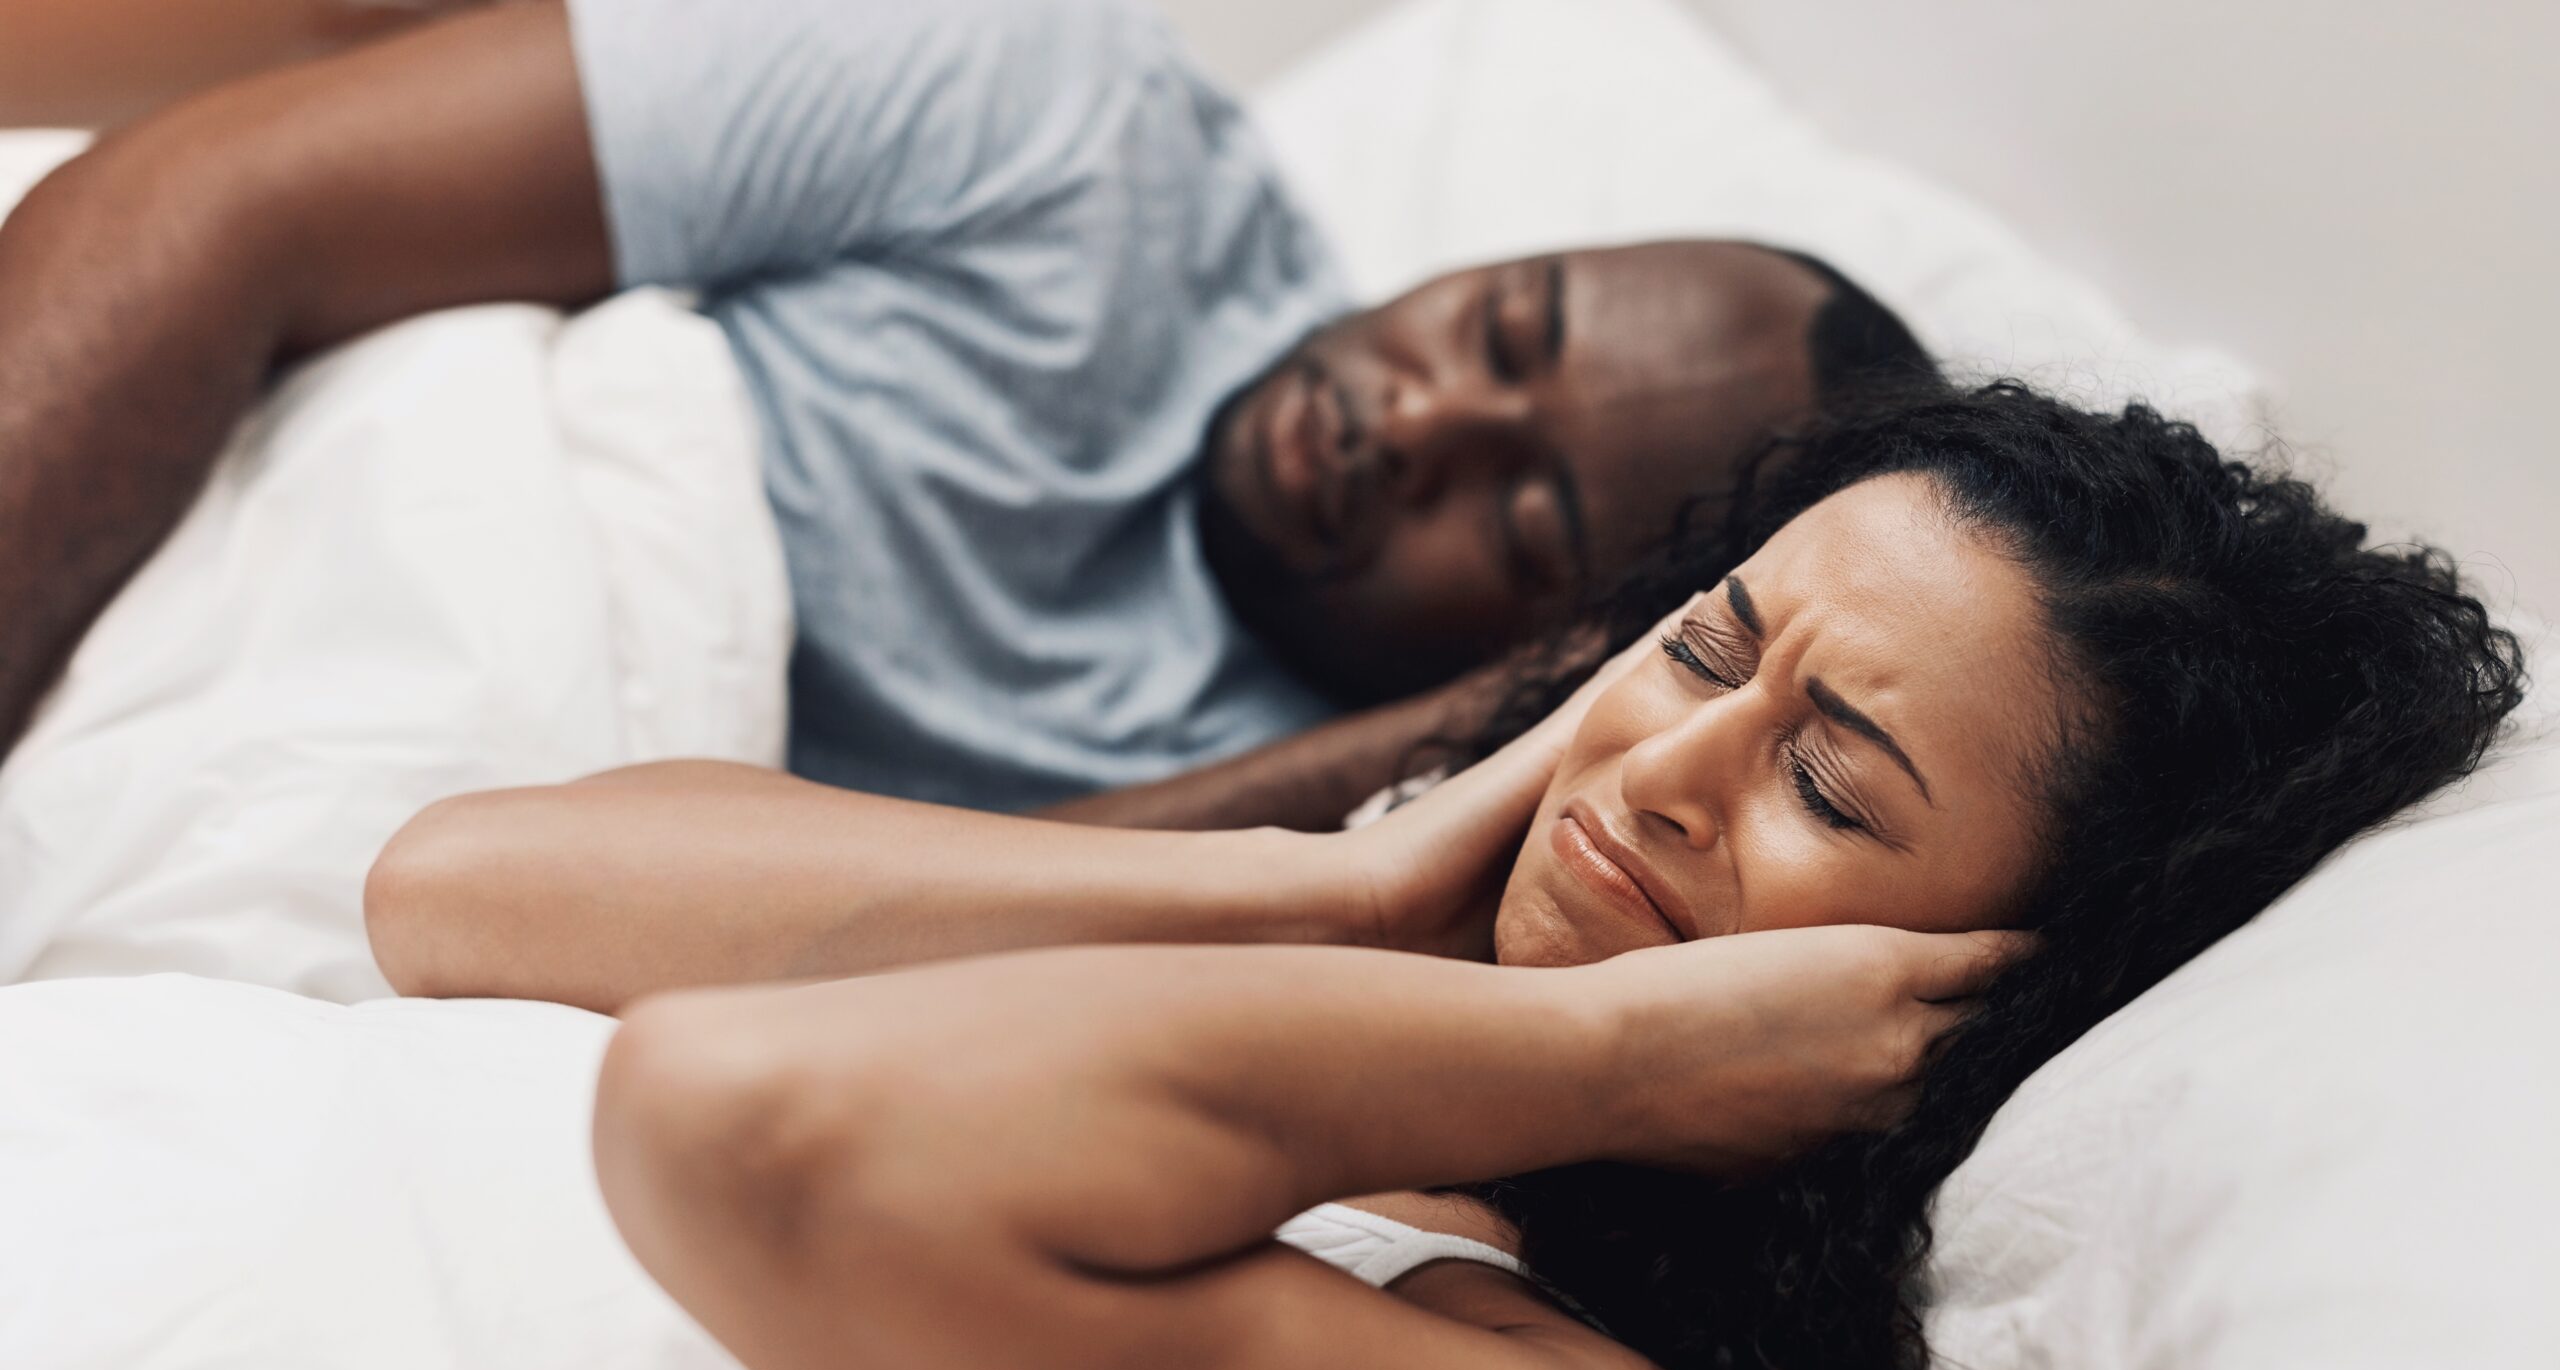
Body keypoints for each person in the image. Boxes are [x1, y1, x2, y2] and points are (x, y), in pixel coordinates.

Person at [360, 381, 2524, 1370]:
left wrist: (1613, 1055)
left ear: (1978, 987)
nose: (1661, 773)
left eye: (1827, 779)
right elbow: (459, 888)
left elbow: (758, 1121)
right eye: (1698, 652)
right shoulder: (1321, 988)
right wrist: (1335, 882)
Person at [0, 0, 1932, 829]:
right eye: (1501, 326)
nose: (1418, 417)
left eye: (1513, 519)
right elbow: (206, 204)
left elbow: (870, 954)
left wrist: (1466, 741)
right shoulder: (1036, 114)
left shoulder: (1328, 802)